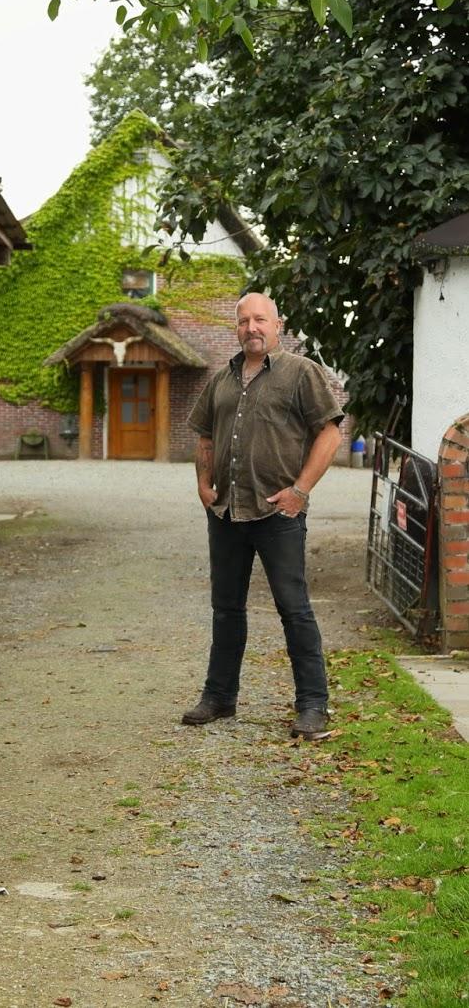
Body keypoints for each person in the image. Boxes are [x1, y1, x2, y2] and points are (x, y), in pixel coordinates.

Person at [183, 292, 344, 740]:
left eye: (260, 320)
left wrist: (300, 490)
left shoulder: (301, 373)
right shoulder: (222, 378)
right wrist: (203, 483)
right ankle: (219, 697)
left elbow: (329, 434)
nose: (251, 328)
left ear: (278, 324)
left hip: (278, 513)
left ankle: (313, 706)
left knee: (294, 609)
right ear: (236, 328)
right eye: (243, 321)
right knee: (226, 609)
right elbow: (204, 435)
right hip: (227, 512)